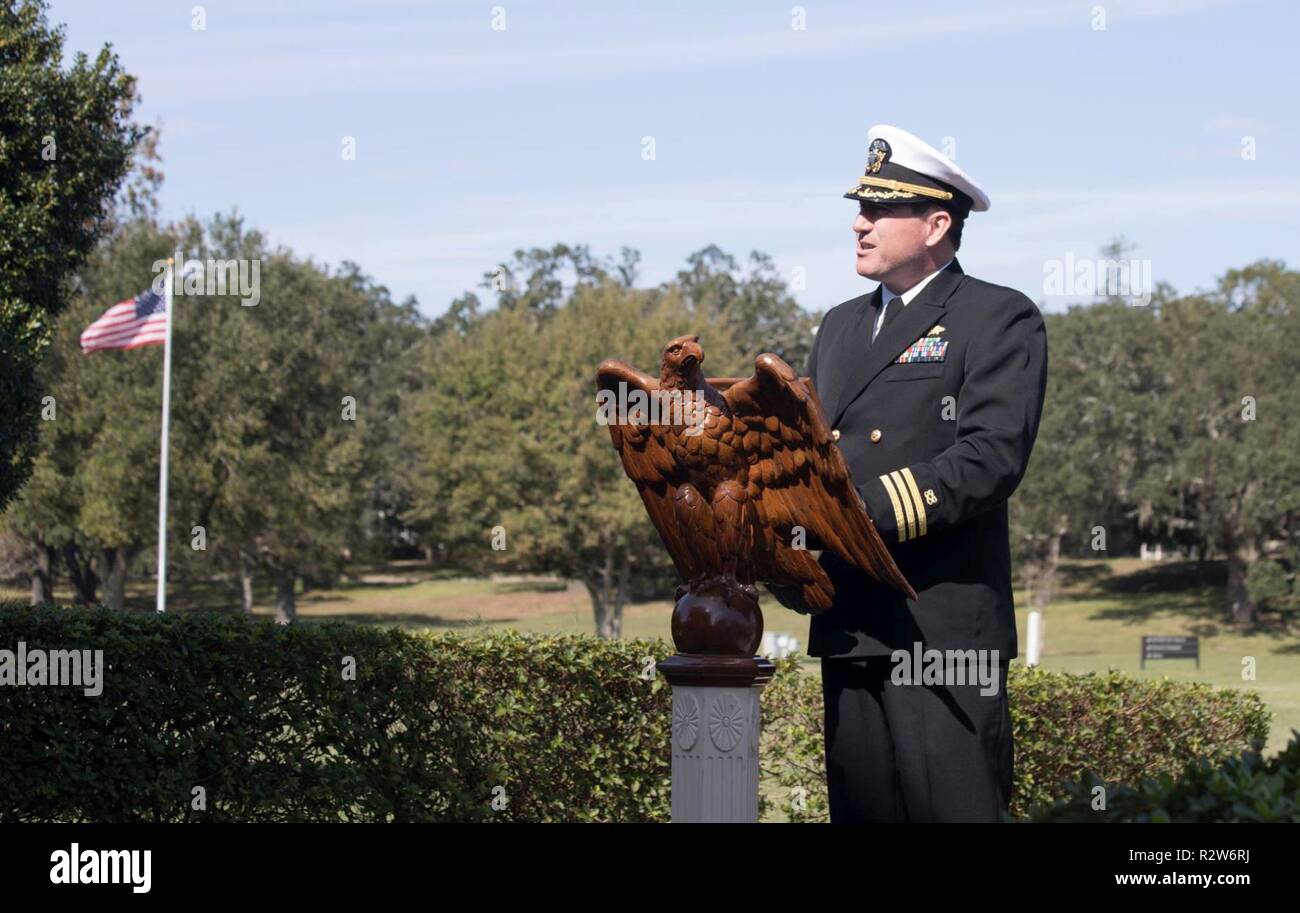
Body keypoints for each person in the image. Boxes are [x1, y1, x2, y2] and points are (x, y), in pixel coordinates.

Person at [802, 124, 1048, 822]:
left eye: (880, 210)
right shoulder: (839, 326)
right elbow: (816, 459)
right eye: (860, 206)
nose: (859, 222)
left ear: (938, 223)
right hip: (852, 621)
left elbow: (990, 458)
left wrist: (853, 513)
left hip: (940, 632)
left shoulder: (997, 317)